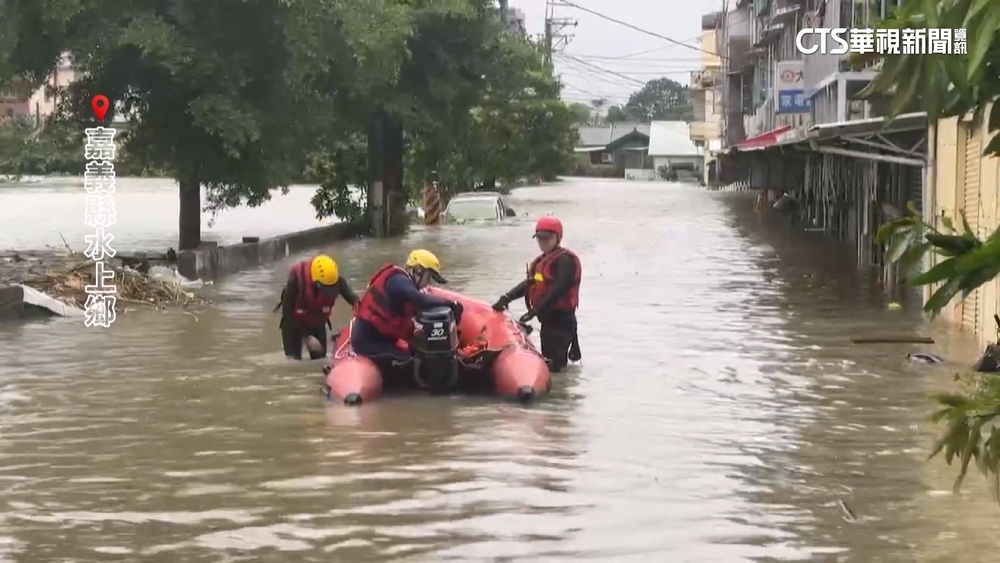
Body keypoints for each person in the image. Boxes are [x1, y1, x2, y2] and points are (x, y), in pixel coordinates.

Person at [492, 216, 582, 372]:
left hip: (562, 321)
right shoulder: (542, 261)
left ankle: (561, 387)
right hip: (548, 321)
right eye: (540, 238)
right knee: (548, 360)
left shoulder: (565, 261)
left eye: (548, 238)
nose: (543, 242)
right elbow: (529, 284)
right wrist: (507, 298)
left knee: (555, 366)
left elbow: (558, 289)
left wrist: (536, 310)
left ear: (558, 238)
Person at [351, 249, 463, 362]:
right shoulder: (398, 281)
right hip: (368, 343)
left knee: (417, 354)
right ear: (418, 270)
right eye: (428, 277)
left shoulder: (404, 283)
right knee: (412, 361)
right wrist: (451, 304)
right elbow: (421, 300)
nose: (428, 283)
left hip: (383, 339)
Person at [276, 254, 359, 360]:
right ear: (315, 281)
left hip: (317, 321)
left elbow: (355, 300)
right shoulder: (296, 281)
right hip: (293, 323)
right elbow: (287, 313)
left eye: (331, 287)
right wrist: (307, 338)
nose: (328, 291)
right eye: (325, 287)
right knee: (294, 359)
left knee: (320, 357)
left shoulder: (337, 281)